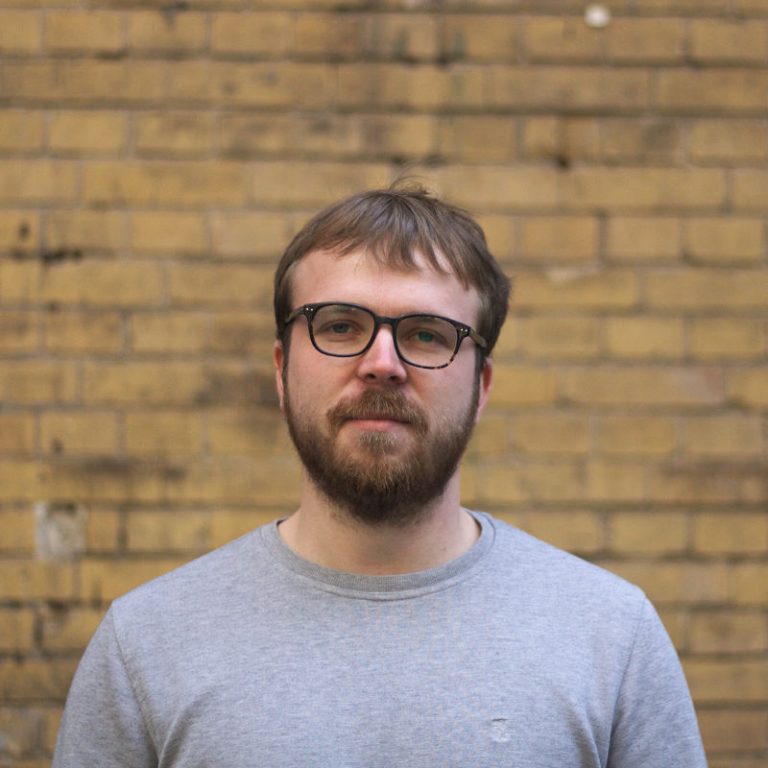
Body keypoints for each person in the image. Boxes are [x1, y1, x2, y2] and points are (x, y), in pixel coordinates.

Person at [53, 185, 707, 768]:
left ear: (481, 386)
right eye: (340, 326)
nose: (382, 363)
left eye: (426, 334)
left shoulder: (611, 637)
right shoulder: (147, 644)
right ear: (281, 371)